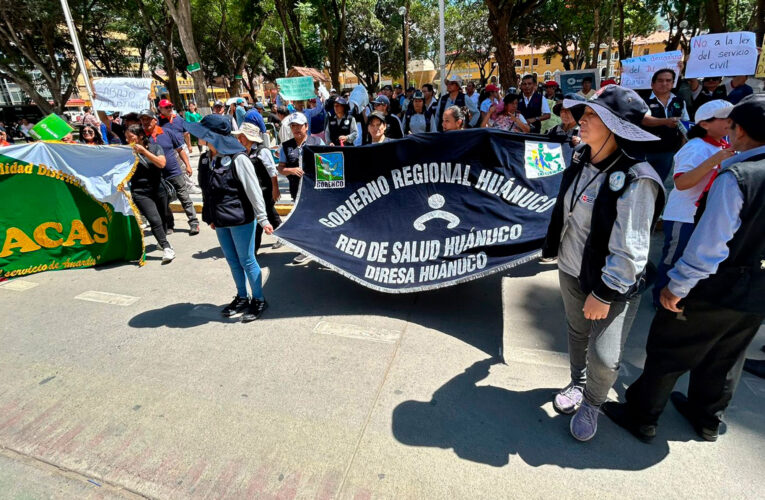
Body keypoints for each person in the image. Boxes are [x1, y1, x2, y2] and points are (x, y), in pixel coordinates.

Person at [603, 95, 765, 443]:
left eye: (732, 125)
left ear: (740, 131)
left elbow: (711, 243)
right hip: (756, 292)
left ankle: (642, 416)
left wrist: (677, 285)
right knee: (728, 355)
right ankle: (707, 417)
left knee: (670, 349)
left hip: (716, 285)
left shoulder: (737, 177)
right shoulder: (732, 167)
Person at [540, 85, 665, 442]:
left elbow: (633, 250)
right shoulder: (580, 155)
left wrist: (606, 292)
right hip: (570, 266)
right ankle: (577, 384)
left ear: (617, 127)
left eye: (592, 115)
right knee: (576, 331)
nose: (582, 119)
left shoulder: (638, 178)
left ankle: (593, 401)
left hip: (610, 283)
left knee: (605, 356)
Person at [188, 114, 273, 322]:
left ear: (213, 136)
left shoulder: (239, 158)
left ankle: (258, 299)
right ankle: (242, 297)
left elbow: (254, 191)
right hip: (220, 219)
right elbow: (207, 190)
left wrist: (263, 218)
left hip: (241, 218)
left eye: (203, 133)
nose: (198, 137)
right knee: (233, 261)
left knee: (247, 260)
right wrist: (209, 216)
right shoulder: (207, 158)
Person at [651, 100, 734, 308]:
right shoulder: (696, 147)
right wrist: (714, 160)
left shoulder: (725, 145)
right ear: (705, 124)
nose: (730, 122)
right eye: (724, 118)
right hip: (683, 216)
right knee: (674, 260)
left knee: (695, 260)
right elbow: (681, 183)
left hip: (704, 216)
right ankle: (660, 300)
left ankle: (681, 297)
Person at [139, 109, 199, 236]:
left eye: (148, 119)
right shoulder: (142, 137)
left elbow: (180, 150)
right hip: (156, 175)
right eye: (143, 120)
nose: (145, 122)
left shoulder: (167, 132)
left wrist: (188, 165)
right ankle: (169, 225)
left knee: (184, 198)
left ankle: (193, 222)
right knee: (163, 202)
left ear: (155, 120)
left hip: (174, 172)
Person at [277, 112, 324, 264]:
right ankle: (305, 250)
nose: (296, 129)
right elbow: (281, 168)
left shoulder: (317, 142)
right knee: (303, 221)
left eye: (299, 126)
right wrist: (291, 170)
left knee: (320, 220)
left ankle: (322, 249)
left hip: (317, 191)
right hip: (297, 191)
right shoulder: (286, 146)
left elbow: (329, 164)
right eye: (293, 126)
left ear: (306, 127)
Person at [125, 124, 175, 263]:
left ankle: (161, 239)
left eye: (131, 137)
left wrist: (144, 152)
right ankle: (167, 247)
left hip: (158, 189)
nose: (128, 140)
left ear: (140, 136)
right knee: (154, 220)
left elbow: (161, 164)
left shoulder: (155, 148)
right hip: (140, 192)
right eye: (126, 138)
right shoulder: (126, 152)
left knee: (163, 217)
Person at [232, 123, 282, 253]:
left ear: (249, 137)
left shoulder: (262, 151)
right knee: (269, 214)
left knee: (263, 215)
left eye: (241, 136)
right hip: (255, 191)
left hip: (265, 190)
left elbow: (272, 171)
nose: (239, 139)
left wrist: (275, 189)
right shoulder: (243, 151)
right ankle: (282, 235)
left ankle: (253, 250)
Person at [638, 69, 690, 182]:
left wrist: (682, 147)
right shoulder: (643, 101)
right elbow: (644, 120)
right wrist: (666, 121)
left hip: (668, 151)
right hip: (645, 151)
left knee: (660, 182)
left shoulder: (680, 101)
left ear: (672, 83)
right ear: (652, 84)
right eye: (660, 80)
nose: (664, 83)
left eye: (668, 80)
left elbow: (685, 125)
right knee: (642, 182)